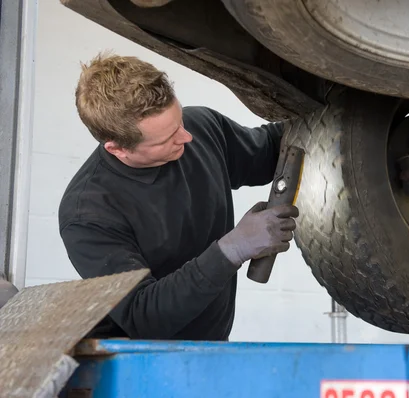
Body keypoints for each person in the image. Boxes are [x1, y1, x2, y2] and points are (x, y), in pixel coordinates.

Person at [58, 53, 298, 341]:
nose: (186, 137)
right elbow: (143, 316)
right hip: (144, 365)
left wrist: (326, 115)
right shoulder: (88, 214)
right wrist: (233, 249)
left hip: (214, 346)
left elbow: (272, 150)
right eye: (166, 139)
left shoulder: (200, 128)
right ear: (118, 149)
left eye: (179, 121)